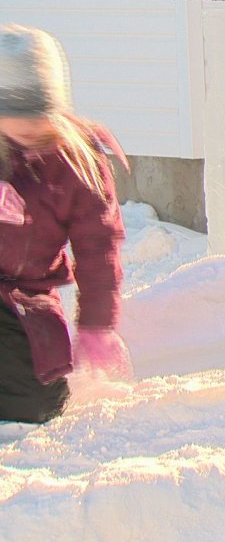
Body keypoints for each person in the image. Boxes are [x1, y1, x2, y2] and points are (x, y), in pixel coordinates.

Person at [0, 24, 132, 424]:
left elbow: (98, 247)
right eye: (15, 117)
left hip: (28, 302)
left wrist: (96, 325)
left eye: (39, 118)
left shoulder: (79, 165)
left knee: (36, 407)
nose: (30, 129)